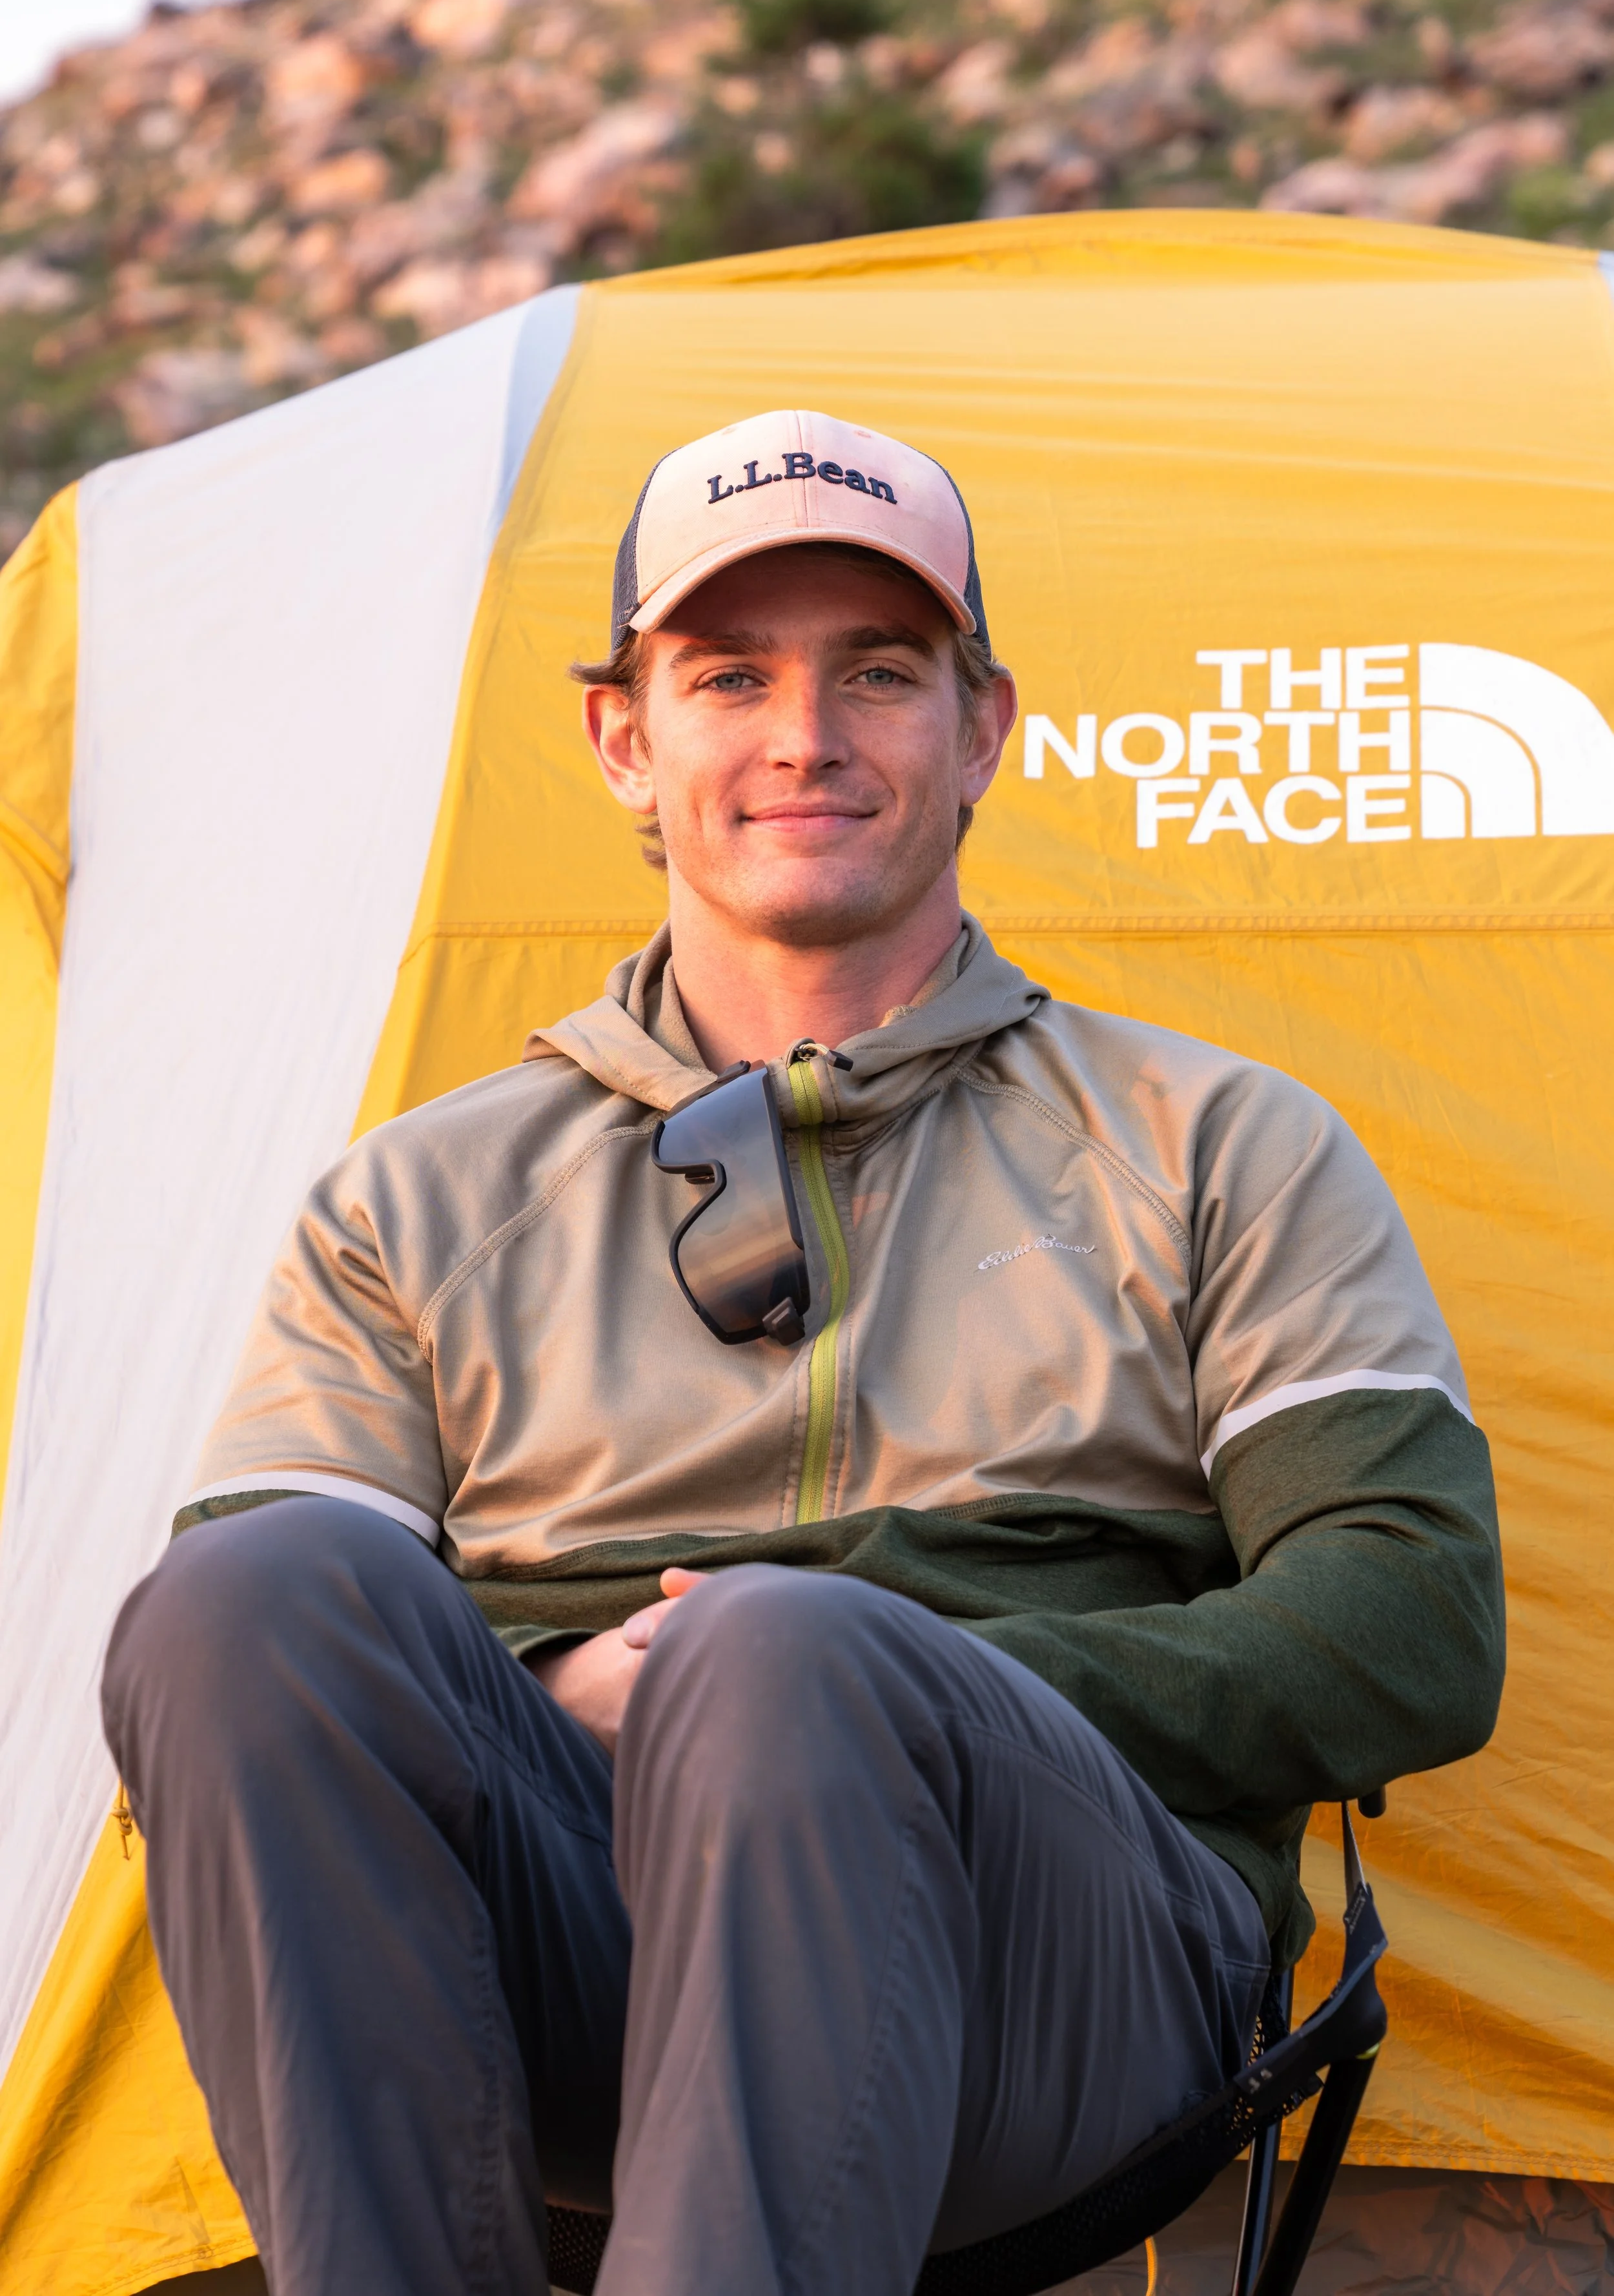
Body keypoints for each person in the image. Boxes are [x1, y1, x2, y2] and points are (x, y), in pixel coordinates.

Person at [103, 408, 1504, 2296]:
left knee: (789, 1647)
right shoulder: (412, 1201)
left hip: (1058, 1976)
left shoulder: (1212, 1140)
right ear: (625, 736)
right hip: (576, 1957)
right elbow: (237, 1713)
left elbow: (1404, 1625)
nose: (802, 738)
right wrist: (589, 1688)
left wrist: (901, 1675)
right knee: (243, 1593)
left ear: (981, 726)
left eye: (878, 672)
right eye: (727, 674)